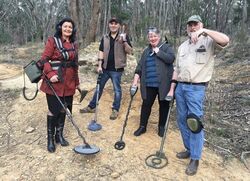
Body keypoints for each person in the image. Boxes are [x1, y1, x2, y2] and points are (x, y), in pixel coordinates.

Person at [174, 15, 229, 175]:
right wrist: (173, 88)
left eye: (195, 24)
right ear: (186, 27)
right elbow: (176, 69)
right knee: (182, 120)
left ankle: (195, 158)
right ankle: (190, 150)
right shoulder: (182, 47)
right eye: (189, 25)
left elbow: (225, 40)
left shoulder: (209, 42)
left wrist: (204, 31)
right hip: (180, 87)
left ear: (201, 25)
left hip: (196, 89)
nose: (192, 27)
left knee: (194, 123)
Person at [38, 18, 79, 153]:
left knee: (64, 109)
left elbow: (75, 65)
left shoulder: (74, 44)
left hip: (69, 83)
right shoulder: (53, 41)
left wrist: (76, 83)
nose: (68, 29)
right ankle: (50, 139)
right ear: (60, 27)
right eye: (65, 26)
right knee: (53, 109)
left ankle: (59, 135)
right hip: (54, 82)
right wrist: (50, 74)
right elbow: (44, 59)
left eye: (70, 27)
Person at [80, 17, 133, 120]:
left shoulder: (124, 37)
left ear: (118, 26)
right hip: (104, 68)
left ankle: (115, 109)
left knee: (117, 90)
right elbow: (101, 51)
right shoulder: (105, 38)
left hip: (117, 70)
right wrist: (99, 65)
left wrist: (125, 40)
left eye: (115, 23)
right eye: (111, 23)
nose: (113, 25)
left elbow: (130, 51)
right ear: (109, 25)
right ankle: (92, 107)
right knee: (99, 88)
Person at [131, 27, 175, 137]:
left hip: (163, 84)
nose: (153, 38)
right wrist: (135, 81)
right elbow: (140, 67)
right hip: (149, 84)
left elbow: (171, 59)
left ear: (159, 37)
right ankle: (142, 126)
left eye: (155, 36)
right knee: (146, 105)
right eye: (150, 36)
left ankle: (161, 127)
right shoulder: (146, 51)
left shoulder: (166, 47)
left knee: (164, 105)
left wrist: (159, 52)